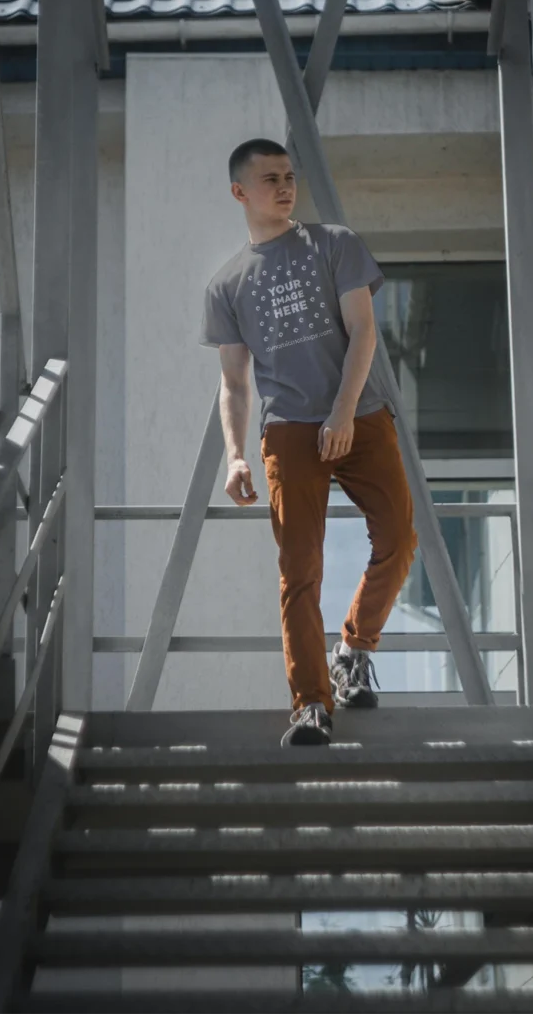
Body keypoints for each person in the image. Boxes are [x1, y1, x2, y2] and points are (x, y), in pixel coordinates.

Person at [200, 138, 417, 747]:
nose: (285, 185)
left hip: (362, 414)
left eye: (290, 175)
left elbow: (364, 333)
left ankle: (353, 647)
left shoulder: (335, 244)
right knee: (300, 568)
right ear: (241, 192)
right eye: (270, 178)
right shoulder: (227, 285)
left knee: (399, 537)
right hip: (288, 429)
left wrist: (344, 413)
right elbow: (234, 382)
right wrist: (236, 453)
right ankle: (311, 705)